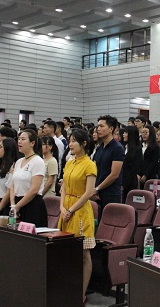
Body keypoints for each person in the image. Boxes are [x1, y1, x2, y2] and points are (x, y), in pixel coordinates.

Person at [58, 129, 97, 302]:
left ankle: (81, 292)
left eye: (74, 141)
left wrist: (71, 210)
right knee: (66, 252)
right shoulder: (69, 163)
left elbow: (88, 193)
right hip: (66, 210)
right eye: (70, 140)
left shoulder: (89, 164)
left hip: (80, 212)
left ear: (84, 143)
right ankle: (67, 287)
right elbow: (64, 188)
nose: (70, 144)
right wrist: (62, 207)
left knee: (83, 254)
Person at [10, 129, 48, 226]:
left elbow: (34, 190)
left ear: (32, 143)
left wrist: (17, 206)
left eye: (23, 139)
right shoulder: (18, 162)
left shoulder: (38, 161)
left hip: (32, 205)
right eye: (19, 139)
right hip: (17, 203)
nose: (19, 141)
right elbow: (12, 185)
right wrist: (13, 204)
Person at [92, 115, 125, 211]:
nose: (98, 129)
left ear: (111, 129)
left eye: (101, 126)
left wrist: (97, 188)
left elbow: (114, 174)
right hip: (97, 193)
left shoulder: (117, 148)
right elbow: (94, 168)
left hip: (111, 194)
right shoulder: (99, 148)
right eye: (98, 126)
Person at [0, 137, 17, 216]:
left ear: (8, 150)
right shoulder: (0, 166)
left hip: (3, 205)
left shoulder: (13, 167)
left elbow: (8, 193)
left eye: (1, 147)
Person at [120, 126, 143, 202]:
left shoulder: (137, 149)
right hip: (121, 180)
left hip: (130, 183)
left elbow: (134, 169)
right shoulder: (123, 147)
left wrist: (124, 184)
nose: (123, 135)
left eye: (126, 133)